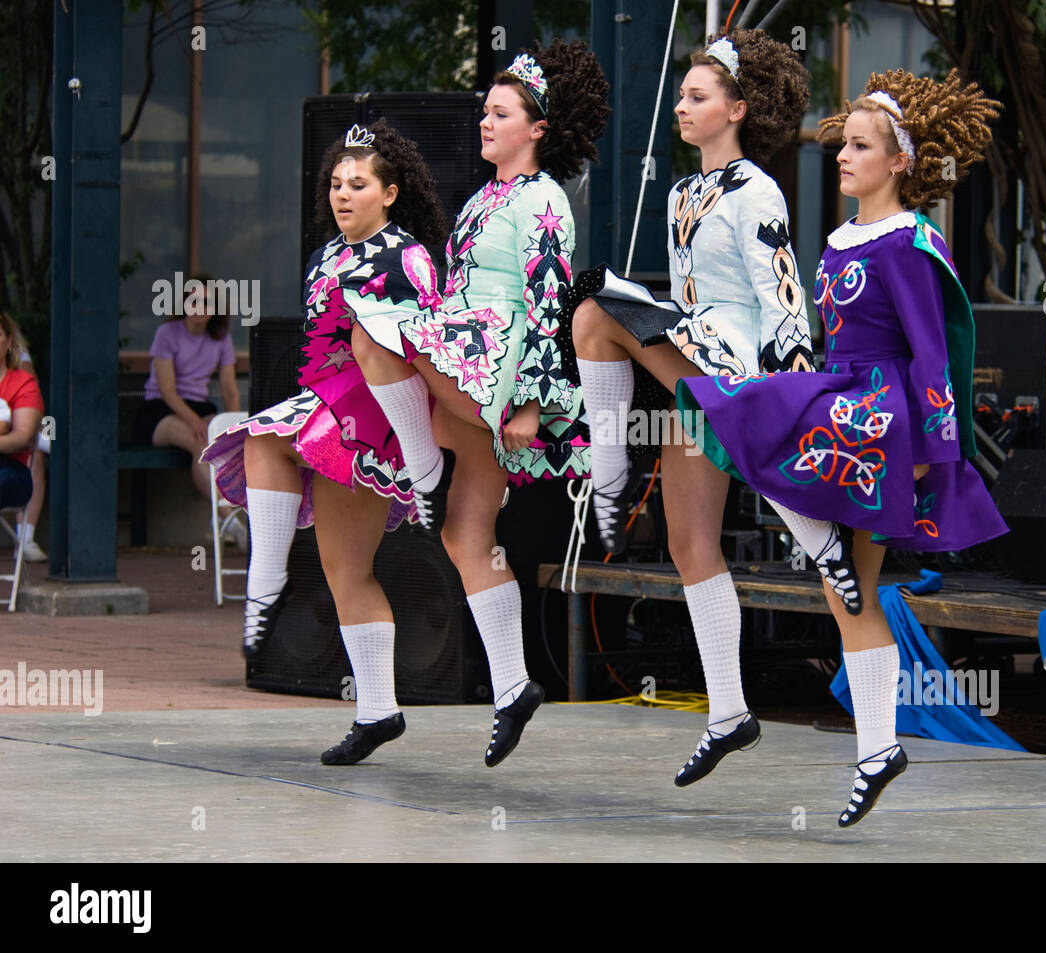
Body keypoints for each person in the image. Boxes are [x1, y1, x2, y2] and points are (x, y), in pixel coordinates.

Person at [676, 69, 1009, 825]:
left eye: (860, 146)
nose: (842, 156)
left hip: (882, 415)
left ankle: (876, 745)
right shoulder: (840, 240)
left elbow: (932, 353)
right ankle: (878, 748)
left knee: (750, 419)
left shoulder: (910, 242)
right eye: (842, 144)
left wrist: (934, 449)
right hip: (842, 394)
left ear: (899, 162)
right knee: (837, 577)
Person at [561, 29, 851, 786]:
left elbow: (783, 292)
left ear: (737, 109)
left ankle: (611, 472)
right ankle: (729, 712)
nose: (681, 108)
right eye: (682, 96)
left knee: (594, 311)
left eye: (697, 97)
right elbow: (686, 297)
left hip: (738, 353)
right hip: (694, 344)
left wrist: (793, 379)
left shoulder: (759, 189)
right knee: (691, 544)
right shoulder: (684, 192)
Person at [340, 40, 609, 767]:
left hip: (496, 366)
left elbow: (552, 304)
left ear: (537, 128)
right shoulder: (484, 197)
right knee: (466, 538)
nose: (484, 121)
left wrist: (530, 404)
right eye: (485, 111)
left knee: (374, 331)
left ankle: (421, 470)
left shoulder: (545, 198)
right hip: (468, 355)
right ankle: (516, 685)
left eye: (500, 113)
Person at [202, 118, 449, 764]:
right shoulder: (323, 259)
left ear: (390, 193)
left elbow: (422, 348)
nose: (343, 194)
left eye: (359, 184)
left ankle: (265, 590)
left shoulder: (409, 258)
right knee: (343, 569)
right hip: (325, 408)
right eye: (336, 183)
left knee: (266, 441)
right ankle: (377, 711)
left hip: (375, 417)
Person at [135, 271, 241, 541]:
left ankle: (217, 521)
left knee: (219, 443)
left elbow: (229, 388)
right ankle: (228, 517)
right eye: (193, 301)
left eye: (206, 302)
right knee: (200, 443)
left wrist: (237, 424)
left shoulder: (222, 339)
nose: (199, 309)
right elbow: (167, 390)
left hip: (200, 407)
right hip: (160, 409)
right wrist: (194, 421)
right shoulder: (167, 333)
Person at [9, 323, 48, 561]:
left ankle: (25, 539)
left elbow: (30, 396)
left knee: (36, 453)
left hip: (17, 430)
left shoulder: (19, 361)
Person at [0, 312, 41, 518]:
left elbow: (23, 438)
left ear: (9, 342)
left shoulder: (22, 383)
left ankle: (28, 540)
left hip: (9, 467)